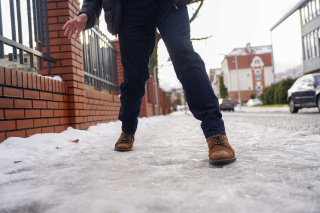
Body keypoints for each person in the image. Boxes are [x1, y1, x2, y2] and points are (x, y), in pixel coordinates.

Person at [63, 0, 236, 165]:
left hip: (169, 4)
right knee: (135, 73)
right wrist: (87, 12)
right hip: (129, 8)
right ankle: (128, 129)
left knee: (183, 53)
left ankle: (215, 133)